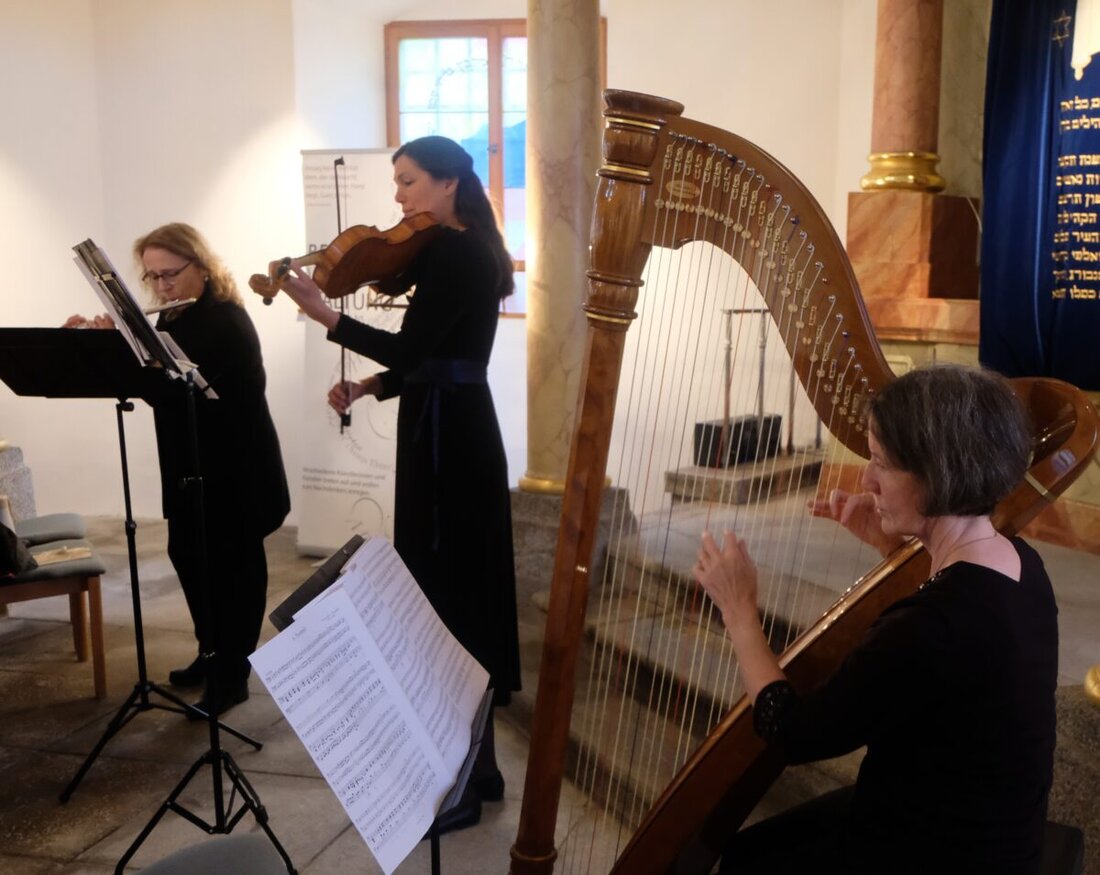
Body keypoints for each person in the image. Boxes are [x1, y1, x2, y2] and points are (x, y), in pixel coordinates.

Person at [693, 364, 1055, 874]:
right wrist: (891, 545)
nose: (866, 479)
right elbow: (951, 649)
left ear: (938, 476)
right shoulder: (1022, 564)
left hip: (942, 852)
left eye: (881, 464)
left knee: (747, 858)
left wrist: (737, 608)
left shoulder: (926, 629)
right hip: (992, 828)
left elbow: (793, 732)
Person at [275, 135, 521, 829]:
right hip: (458, 425)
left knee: (445, 605)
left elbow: (416, 349)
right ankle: (485, 768)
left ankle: (463, 784)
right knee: (461, 595)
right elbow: (444, 353)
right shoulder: (473, 244)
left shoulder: (450, 249)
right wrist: (372, 383)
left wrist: (328, 317)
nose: (399, 196)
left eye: (409, 181)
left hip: (446, 442)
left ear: (447, 184)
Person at [67, 223, 290, 718]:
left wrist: (125, 349)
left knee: (232, 571)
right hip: (190, 466)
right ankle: (209, 653)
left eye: (171, 274)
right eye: (152, 277)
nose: (162, 286)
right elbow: (156, 382)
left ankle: (233, 674)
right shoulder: (171, 318)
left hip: (236, 470)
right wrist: (109, 345)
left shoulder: (224, 321)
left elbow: (182, 392)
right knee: (189, 558)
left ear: (203, 268)